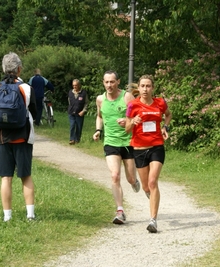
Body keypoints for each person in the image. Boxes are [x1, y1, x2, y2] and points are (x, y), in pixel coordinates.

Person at [0, 52, 37, 222]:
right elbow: (35, 113)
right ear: (19, 69)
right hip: (23, 137)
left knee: (6, 178)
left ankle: (7, 216)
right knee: (26, 176)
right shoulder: (26, 88)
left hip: (2, 137)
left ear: (3, 68)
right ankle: (30, 215)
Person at [125, 74, 172, 233]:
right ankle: (152, 197)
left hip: (157, 146)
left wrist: (165, 127)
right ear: (138, 88)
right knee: (146, 186)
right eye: (142, 86)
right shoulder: (133, 105)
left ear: (153, 88)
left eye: (148, 86)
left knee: (153, 182)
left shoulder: (160, 102)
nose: (145, 89)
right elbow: (127, 129)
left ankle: (153, 220)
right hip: (138, 149)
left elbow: (168, 114)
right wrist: (133, 122)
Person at [93, 70, 140, 224]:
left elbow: (138, 116)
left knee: (131, 178)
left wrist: (127, 121)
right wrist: (98, 130)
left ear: (118, 82)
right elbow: (99, 116)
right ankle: (120, 211)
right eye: (106, 82)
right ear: (103, 83)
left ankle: (134, 181)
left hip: (128, 142)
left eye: (112, 82)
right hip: (111, 142)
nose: (109, 85)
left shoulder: (126, 97)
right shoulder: (100, 99)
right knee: (114, 175)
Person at [68, 79, 89, 145]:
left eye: (76, 85)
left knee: (79, 127)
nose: (74, 87)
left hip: (80, 113)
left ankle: (77, 140)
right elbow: (69, 101)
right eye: (73, 85)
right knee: (72, 125)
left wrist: (83, 111)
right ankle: (72, 139)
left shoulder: (83, 93)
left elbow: (86, 103)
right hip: (71, 112)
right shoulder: (70, 92)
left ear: (79, 85)